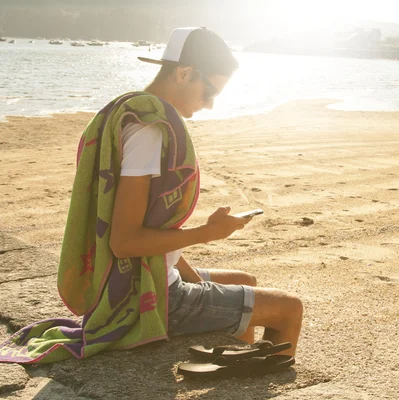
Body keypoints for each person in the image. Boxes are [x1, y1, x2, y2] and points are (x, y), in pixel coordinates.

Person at [0, 27, 302, 365]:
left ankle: (223, 367)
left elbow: (145, 225)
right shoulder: (150, 130)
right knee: (290, 308)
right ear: (184, 73)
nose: (211, 103)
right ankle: (246, 380)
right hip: (146, 293)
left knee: (244, 281)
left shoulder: (130, 112)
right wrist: (207, 233)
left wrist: (190, 270)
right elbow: (125, 242)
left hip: (138, 272)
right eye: (210, 91)